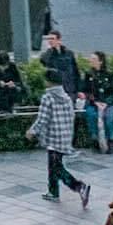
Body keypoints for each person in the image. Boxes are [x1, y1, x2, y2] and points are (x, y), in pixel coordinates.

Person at [27, 68, 91, 207]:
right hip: (65, 137)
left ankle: (79, 187)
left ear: (49, 83)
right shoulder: (67, 97)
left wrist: (32, 131)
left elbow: (42, 119)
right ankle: (53, 191)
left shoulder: (47, 97)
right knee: (53, 165)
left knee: (56, 167)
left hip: (53, 138)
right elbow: (71, 117)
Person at [80, 51, 113, 154]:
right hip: (94, 103)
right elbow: (86, 91)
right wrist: (95, 102)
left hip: (108, 103)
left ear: (100, 62)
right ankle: (95, 139)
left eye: (93, 59)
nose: (91, 61)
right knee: (91, 115)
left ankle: (111, 140)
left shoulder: (110, 74)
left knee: (110, 117)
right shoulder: (88, 74)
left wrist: (106, 103)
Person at [39, 30, 82, 99]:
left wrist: (79, 89)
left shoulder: (69, 54)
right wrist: (49, 51)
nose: (50, 41)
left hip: (69, 89)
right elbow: (43, 62)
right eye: (49, 39)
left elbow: (76, 72)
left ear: (59, 40)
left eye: (52, 39)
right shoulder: (47, 55)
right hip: (55, 89)